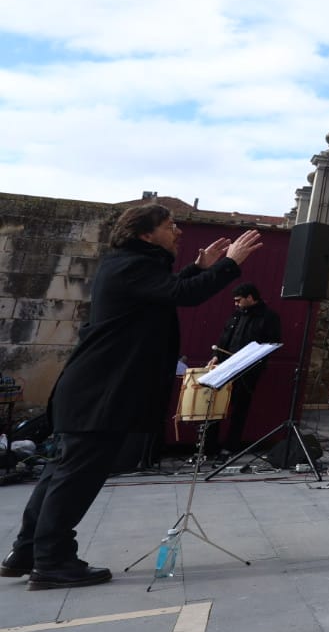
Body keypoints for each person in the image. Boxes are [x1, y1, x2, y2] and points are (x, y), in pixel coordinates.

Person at [4, 204, 261, 590]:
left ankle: (27, 552)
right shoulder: (129, 265)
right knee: (76, 476)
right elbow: (184, 295)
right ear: (145, 234)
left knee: (62, 472)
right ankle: (53, 560)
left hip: (94, 387)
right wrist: (229, 264)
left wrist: (197, 268)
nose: (177, 232)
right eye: (169, 226)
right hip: (101, 390)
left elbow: (166, 292)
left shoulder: (133, 265)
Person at [204, 282, 281, 458]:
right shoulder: (236, 315)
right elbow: (224, 337)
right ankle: (210, 447)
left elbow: (272, 343)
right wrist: (216, 355)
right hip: (226, 366)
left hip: (248, 369)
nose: (236, 304)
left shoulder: (269, 317)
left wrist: (253, 358)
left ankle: (230, 446)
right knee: (216, 406)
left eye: (239, 300)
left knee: (239, 409)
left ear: (250, 298)